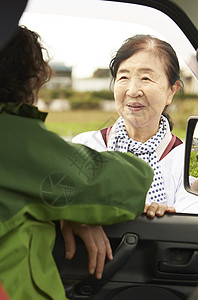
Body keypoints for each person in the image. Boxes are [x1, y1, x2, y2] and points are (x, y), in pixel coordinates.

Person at [0, 27, 154, 300]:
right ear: (31, 79)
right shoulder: (14, 138)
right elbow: (122, 185)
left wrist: (65, 207)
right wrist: (74, 206)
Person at [73, 34, 198, 217]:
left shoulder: (185, 160)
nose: (132, 90)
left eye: (146, 78)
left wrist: (165, 217)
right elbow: (58, 201)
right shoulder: (86, 146)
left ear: (172, 91)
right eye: (123, 77)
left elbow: (188, 223)